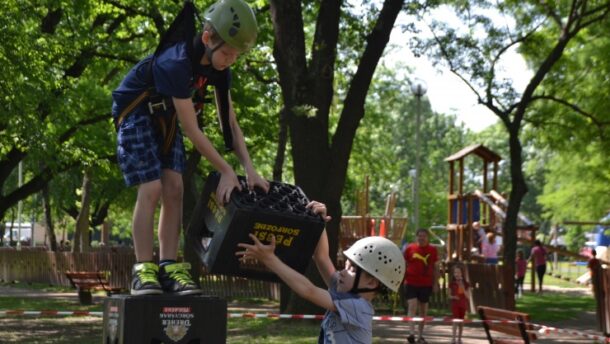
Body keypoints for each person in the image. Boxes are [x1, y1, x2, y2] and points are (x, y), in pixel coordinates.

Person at [112, 0, 269, 296]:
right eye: (226, 53)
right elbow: (191, 129)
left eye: (236, 56)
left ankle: (169, 266)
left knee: (175, 188)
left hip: (167, 116)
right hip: (136, 114)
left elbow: (230, 124)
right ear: (208, 37)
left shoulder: (220, 71)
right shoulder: (176, 62)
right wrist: (225, 170)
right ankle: (143, 269)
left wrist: (249, 169)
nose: (229, 60)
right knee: (152, 187)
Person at [236, 201, 405, 343]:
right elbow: (321, 257)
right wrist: (319, 222)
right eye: (346, 266)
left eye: (352, 269)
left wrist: (270, 259)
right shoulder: (344, 292)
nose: (343, 272)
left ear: (371, 282)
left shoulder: (358, 307)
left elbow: (308, 291)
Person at [403, 228, 439, 344]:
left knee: (423, 310)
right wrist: (402, 278)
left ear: (427, 238)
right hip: (411, 282)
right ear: (416, 237)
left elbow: (436, 268)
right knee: (412, 306)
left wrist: (435, 283)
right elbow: (403, 264)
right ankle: (411, 334)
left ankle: (420, 335)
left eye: (424, 236)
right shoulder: (410, 248)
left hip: (426, 284)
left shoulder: (433, 250)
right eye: (419, 236)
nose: (421, 238)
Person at [449, 264, 471, 344]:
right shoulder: (452, 283)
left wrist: (462, 287)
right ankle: (453, 338)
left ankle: (459, 338)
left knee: (461, 322)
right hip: (455, 305)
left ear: (462, 273)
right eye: (455, 273)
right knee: (455, 321)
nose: (457, 274)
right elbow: (449, 295)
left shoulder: (466, 284)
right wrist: (453, 297)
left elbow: (468, 296)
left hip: (463, 304)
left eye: (458, 272)